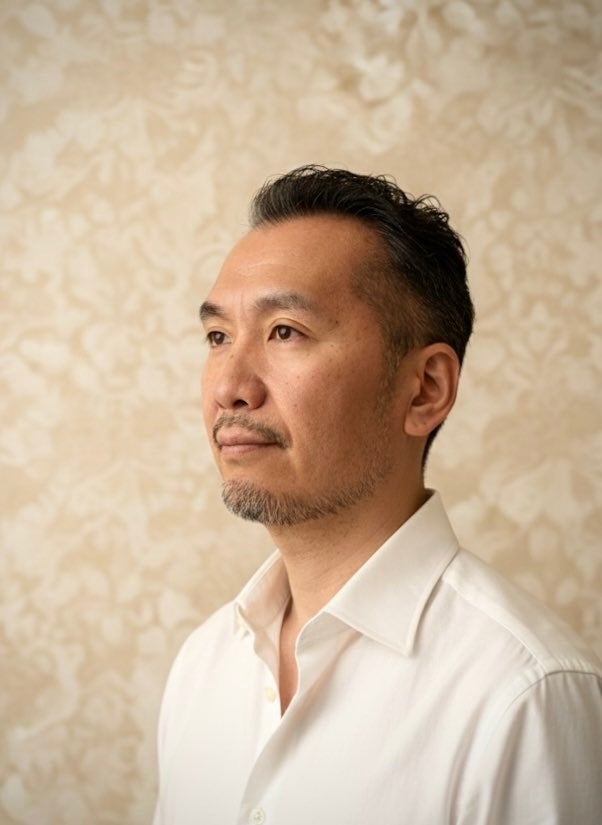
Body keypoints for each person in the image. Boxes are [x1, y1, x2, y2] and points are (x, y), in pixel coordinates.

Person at [153, 166, 602, 825]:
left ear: (425, 389)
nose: (229, 388)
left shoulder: (525, 693)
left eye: (285, 331)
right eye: (218, 337)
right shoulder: (204, 663)